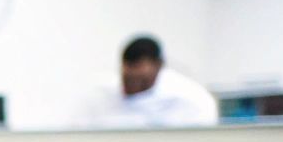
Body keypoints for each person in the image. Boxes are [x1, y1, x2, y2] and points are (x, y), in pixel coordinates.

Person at [83, 35, 219, 128]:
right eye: (126, 79)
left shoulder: (191, 99)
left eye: (138, 79)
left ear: (158, 66)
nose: (129, 87)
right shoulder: (101, 96)